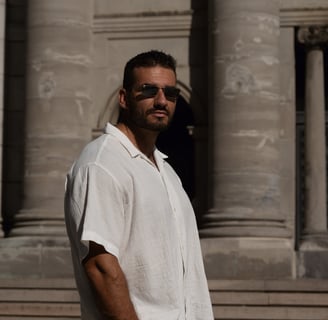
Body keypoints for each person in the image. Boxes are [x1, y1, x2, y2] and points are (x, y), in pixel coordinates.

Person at [64, 50, 214, 320]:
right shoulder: (101, 163)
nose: (161, 101)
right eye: (148, 90)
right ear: (124, 98)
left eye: (170, 93)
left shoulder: (165, 170)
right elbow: (100, 266)